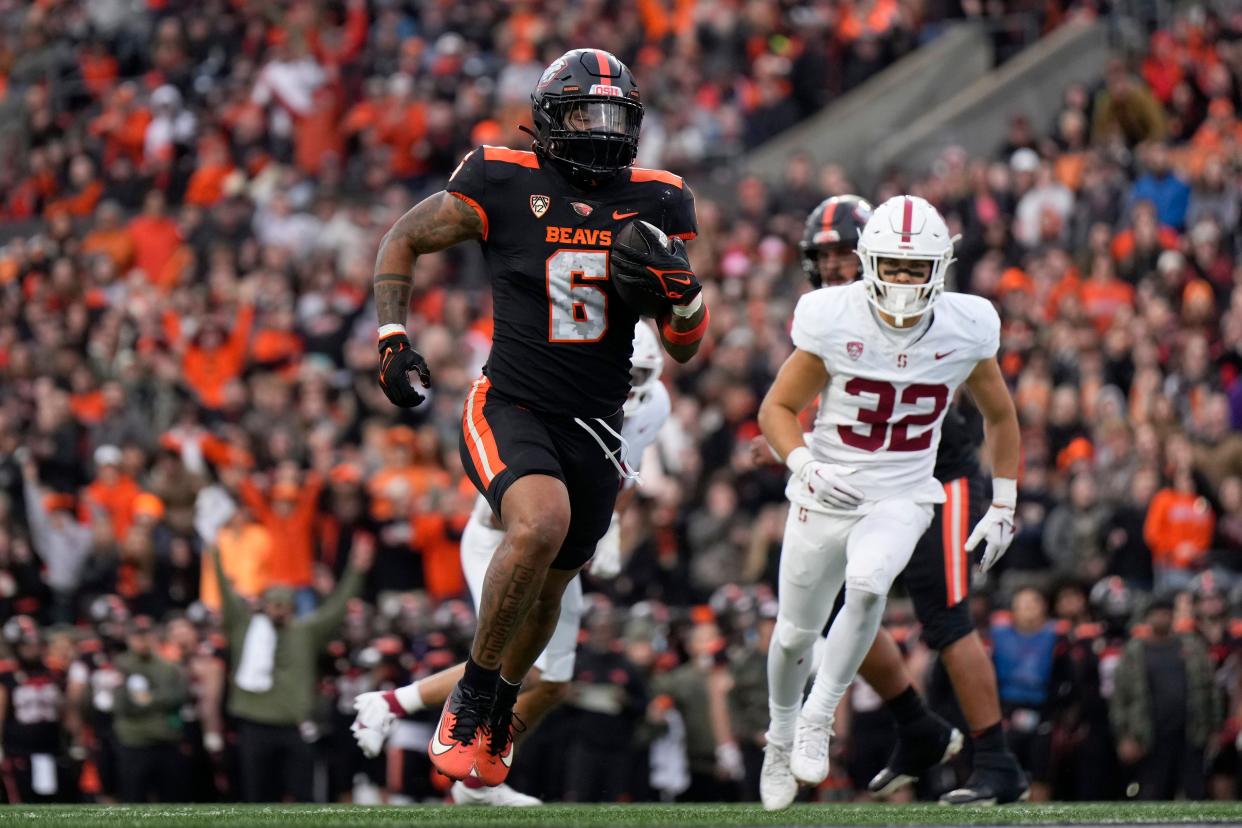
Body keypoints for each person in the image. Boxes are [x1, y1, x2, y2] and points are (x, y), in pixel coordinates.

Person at [371, 48, 706, 787]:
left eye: (614, 117)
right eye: (587, 113)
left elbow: (683, 348)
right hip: (511, 403)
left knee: (554, 585)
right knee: (539, 522)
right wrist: (393, 335)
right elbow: (404, 237)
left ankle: (500, 704)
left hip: (596, 422)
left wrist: (685, 296)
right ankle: (472, 692)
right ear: (551, 117)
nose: (600, 131)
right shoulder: (501, 177)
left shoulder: (658, 199)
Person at [758, 196, 1028, 807]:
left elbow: (1001, 414)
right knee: (811, 622)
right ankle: (902, 728)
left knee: (916, 604)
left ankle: (992, 758)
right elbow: (781, 406)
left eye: (915, 268)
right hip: (835, 484)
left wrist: (1005, 504)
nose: (902, 281)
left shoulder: (965, 323)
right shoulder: (832, 315)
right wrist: (798, 457)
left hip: (925, 479)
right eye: (891, 266)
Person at [352, 321, 673, 805]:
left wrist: (612, 530)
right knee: (508, 653)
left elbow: (622, 474)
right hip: (503, 537)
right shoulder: (569, 387)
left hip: (562, 544)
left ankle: (476, 780)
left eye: (641, 374)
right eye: (627, 372)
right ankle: (390, 704)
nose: (630, 387)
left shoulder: (655, 405)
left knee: (554, 683)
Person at [211, 534, 373, 802]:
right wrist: (215, 557)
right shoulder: (244, 628)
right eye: (273, 604)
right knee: (256, 796)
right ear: (263, 605)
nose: (278, 610)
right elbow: (226, 597)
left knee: (302, 795)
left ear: (292, 608)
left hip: (293, 726)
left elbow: (338, 606)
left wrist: (356, 571)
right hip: (253, 725)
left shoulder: (305, 632)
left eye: (284, 605)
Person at [1111, 594, 1221, 800]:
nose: (1162, 618)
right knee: (1153, 793)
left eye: (1166, 613)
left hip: (1190, 731)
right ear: (1147, 617)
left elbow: (1210, 689)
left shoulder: (1192, 647)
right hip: (1150, 734)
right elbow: (1120, 697)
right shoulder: (1134, 651)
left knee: (1195, 792)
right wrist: (1124, 735)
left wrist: (1214, 728)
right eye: (1157, 614)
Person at [112, 615, 188, 802]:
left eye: (147, 635)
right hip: (135, 741)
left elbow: (179, 696)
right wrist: (158, 699)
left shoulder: (168, 666)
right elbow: (124, 706)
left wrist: (148, 700)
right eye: (138, 636)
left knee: (170, 800)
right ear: (129, 638)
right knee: (134, 799)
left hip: (166, 739)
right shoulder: (120, 665)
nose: (143, 641)